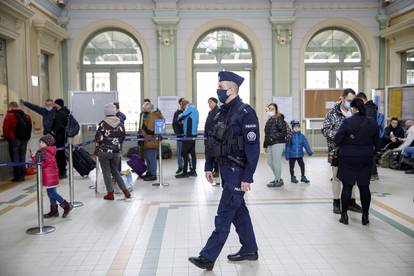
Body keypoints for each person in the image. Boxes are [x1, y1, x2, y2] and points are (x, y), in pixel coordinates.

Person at [189, 71, 260, 271]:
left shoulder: (246, 113)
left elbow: (253, 148)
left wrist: (248, 177)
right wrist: (209, 165)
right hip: (224, 168)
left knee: (225, 212)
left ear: (233, 89)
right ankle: (250, 248)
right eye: (218, 87)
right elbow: (212, 140)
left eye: (221, 87)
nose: (218, 90)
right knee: (238, 211)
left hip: (238, 170)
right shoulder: (220, 112)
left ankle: (207, 256)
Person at [334, 98, 380, 225]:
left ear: (354, 109)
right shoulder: (373, 123)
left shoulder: (347, 122)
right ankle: (365, 216)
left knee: (347, 186)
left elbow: (337, 139)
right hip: (365, 157)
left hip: (348, 157)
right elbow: (377, 143)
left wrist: (348, 141)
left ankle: (344, 216)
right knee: (364, 186)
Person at [322, 88, 362, 214]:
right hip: (336, 151)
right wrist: (341, 135)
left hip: (353, 151)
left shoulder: (356, 112)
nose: (351, 102)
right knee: (337, 178)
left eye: (353, 100)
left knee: (353, 176)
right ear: (342, 98)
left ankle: (351, 202)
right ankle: (336, 202)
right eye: (349, 100)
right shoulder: (332, 114)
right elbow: (325, 130)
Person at [95, 103, 130, 200]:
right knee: (115, 171)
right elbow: (123, 137)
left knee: (106, 172)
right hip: (116, 152)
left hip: (104, 151)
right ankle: (125, 191)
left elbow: (98, 138)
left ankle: (110, 193)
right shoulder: (120, 124)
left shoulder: (103, 124)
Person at [33, 134, 72, 218]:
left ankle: (66, 205)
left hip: (48, 176)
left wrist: (33, 158)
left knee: (52, 193)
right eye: (40, 142)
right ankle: (54, 211)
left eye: (42, 142)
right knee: (51, 193)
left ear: (48, 143)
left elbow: (42, 164)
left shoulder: (43, 151)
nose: (40, 143)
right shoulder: (50, 150)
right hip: (53, 175)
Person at [2, 102, 32, 182]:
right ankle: (22, 175)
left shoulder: (9, 116)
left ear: (10, 107)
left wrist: (6, 137)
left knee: (15, 158)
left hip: (14, 140)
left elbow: (5, 128)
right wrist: (27, 138)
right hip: (24, 140)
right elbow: (30, 128)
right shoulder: (26, 116)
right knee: (22, 157)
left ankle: (18, 176)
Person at [263, 103, 289, 187]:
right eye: (269, 108)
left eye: (272, 108)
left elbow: (283, 132)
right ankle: (278, 178)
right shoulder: (269, 119)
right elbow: (267, 134)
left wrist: (272, 138)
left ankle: (277, 180)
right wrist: (265, 145)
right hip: (270, 143)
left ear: (276, 110)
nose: (270, 110)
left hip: (278, 143)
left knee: (276, 162)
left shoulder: (279, 118)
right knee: (269, 161)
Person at [356, 92, 380, 181]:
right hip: (370, 134)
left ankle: (373, 174)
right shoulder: (369, 107)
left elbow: (368, 122)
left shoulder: (369, 108)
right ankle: (371, 173)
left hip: (369, 135)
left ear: (362, 99)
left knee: (369, 155)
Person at [139, 102, 163, 181]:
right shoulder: (156, 115)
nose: (144, 111)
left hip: (150, 140)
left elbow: (149, 129)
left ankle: (153, 174)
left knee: (151, 158)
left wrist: (143, 132)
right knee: (149, 158)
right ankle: (150, 172)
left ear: (149, 108)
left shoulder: (152, 116)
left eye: (145, 109)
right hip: (151, 140)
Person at [176, 99, 199, 178]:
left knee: (183, 152)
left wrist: (180, 116)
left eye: (182, 106)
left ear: (184, 105)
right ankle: (193, 171)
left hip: (189, 135)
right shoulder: (194, 109)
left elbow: (180, 117)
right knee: (192, 153)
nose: (182, 108)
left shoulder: (190, 108)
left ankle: (185, 172)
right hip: (192, 134)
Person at [50, 99, 69, 179]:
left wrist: (53, 132)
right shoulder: (64, 112)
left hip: (58, 138)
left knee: (59, 155)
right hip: (62, 137)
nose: (53, 104)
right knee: (61, 155)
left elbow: (58, 125)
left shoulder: (60, 114)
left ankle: (61, 172)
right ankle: (62, 171)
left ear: (57, 104)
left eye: (54, 103)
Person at [204, 97, 220, 178]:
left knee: (216, 155)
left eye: (210, 102)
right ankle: (213, 170)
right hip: (209, 136)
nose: (209, 104)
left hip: (215, 137)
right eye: (208, 102)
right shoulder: (210, 112)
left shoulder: (218, 112)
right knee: (210, 154)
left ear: (215, 103)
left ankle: (217, 171)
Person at [172, 98, 185, 175]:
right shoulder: (177, 113)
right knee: (180, 153)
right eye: (182, 103)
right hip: (180, 136)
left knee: (187, 153)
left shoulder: (188, 112)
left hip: (188, 136)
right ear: (180, 104)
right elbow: (174, 124)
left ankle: (188, 167)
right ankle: (180, 167)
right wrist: (177, 133)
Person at [114, 102, 126, 172]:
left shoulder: (118, 118)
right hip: (118, 139)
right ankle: (117, 171)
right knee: (117, 155)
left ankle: (117, 172)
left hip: (117, 139)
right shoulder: (120, 116)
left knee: (117, 156)